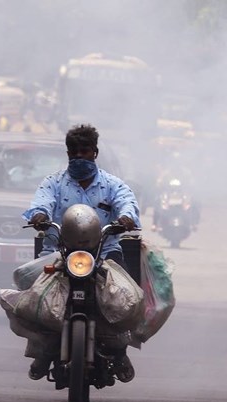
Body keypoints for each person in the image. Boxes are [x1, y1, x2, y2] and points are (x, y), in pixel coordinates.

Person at [22, 123, 141, 381]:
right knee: (34, 300)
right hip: (59, 252)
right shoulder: (52, 183)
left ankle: (119, 350)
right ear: (67, 154)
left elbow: (127, 203)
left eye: (84, 151)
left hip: (104, 253)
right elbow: (40, 202)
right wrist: (40, 214)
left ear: (95, 152)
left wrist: (126, 217)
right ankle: (41, 351)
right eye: (73, 151)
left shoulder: (112, 184)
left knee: (122, 299)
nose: (79, 156)